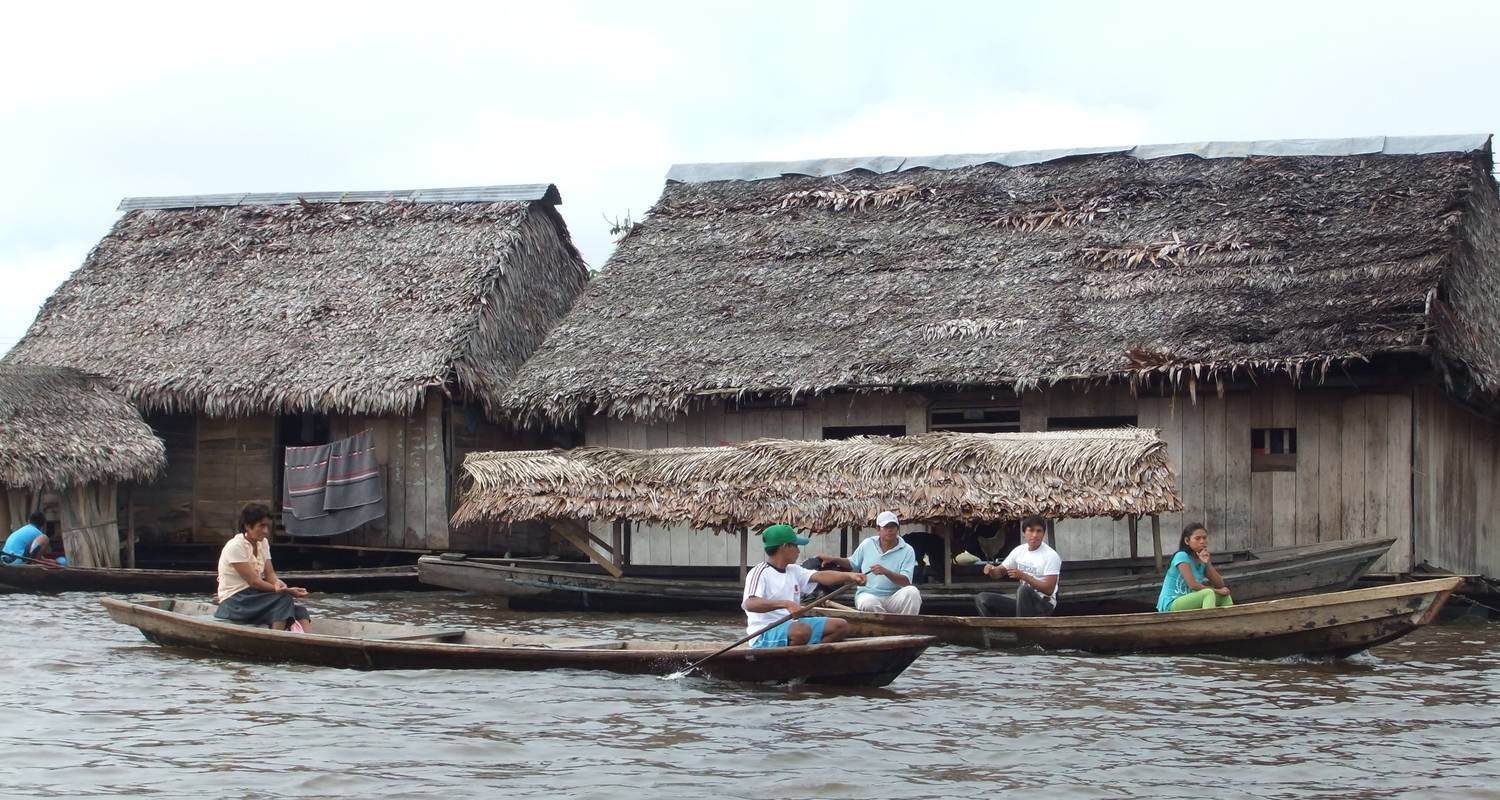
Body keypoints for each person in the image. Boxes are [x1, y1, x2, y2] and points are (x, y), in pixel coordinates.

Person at [743, 524, 865, 648]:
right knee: (802, 631)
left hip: (793, 625)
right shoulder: (759, 572)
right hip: (764, 632)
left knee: (841, 626)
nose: (798, 551)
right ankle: (792, 662)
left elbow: (821, 576)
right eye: (795, 546)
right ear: (784, 547)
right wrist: (786, 604)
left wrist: (850, 576)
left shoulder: (794, 570)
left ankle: (812, 658)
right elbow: (750, 604)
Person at [214, 503, 312, 631]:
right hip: (234, 602)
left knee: (299, 611)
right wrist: (286, 591)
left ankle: (309, 642)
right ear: (248, 526)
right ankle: (275, 641)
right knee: (284, 599)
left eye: (267, 526)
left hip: (253, 597)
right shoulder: (235, 546)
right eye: (261, 526)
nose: (266, 531)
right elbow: (254, 582)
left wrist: (280, 585)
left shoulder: (263, 543)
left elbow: (270, 574)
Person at [817, 511, 921, 614]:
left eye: (893, 527)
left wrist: (886, 572)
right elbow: (852, 563)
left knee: (913, 592)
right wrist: (833, 559)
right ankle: (886, 626)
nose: (890, 530)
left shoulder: (907, 550)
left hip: (894, 597)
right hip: (869, 595)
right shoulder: (867, 544)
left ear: (897, 529)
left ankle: (906, 627)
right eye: (885, 527)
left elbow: (906, 582)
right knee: (868, 603)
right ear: (878, 530)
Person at [974, 515, 1062, 617]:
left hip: (1044, 604)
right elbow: (999, 572)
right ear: (1024, 533)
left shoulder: (1051, 556)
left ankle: (1021, 630)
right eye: (1031, 530)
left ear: (1043, 534)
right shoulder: (1019, 550)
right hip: (1022, 604)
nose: (1035, 535)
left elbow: (1049, 589)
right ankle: (993, 631)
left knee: (1024, 590)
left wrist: (1024, 576)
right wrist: (992, 570)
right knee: (982, 599)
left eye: (1039, 531)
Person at [1156, 522, 1234, 612]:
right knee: (1208, 593)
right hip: (1171, 603)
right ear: (1187, 541)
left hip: (1189, 601)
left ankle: (1229, 624)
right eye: (1197, 538)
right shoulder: (1181, 556)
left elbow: (1220, 584)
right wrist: (1218, 591)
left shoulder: (1201, 559)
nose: (1202, 541)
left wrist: (1207, 562)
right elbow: (1192, 585)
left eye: (1204, 538)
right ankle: (1207, 624)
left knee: (1225, 596)